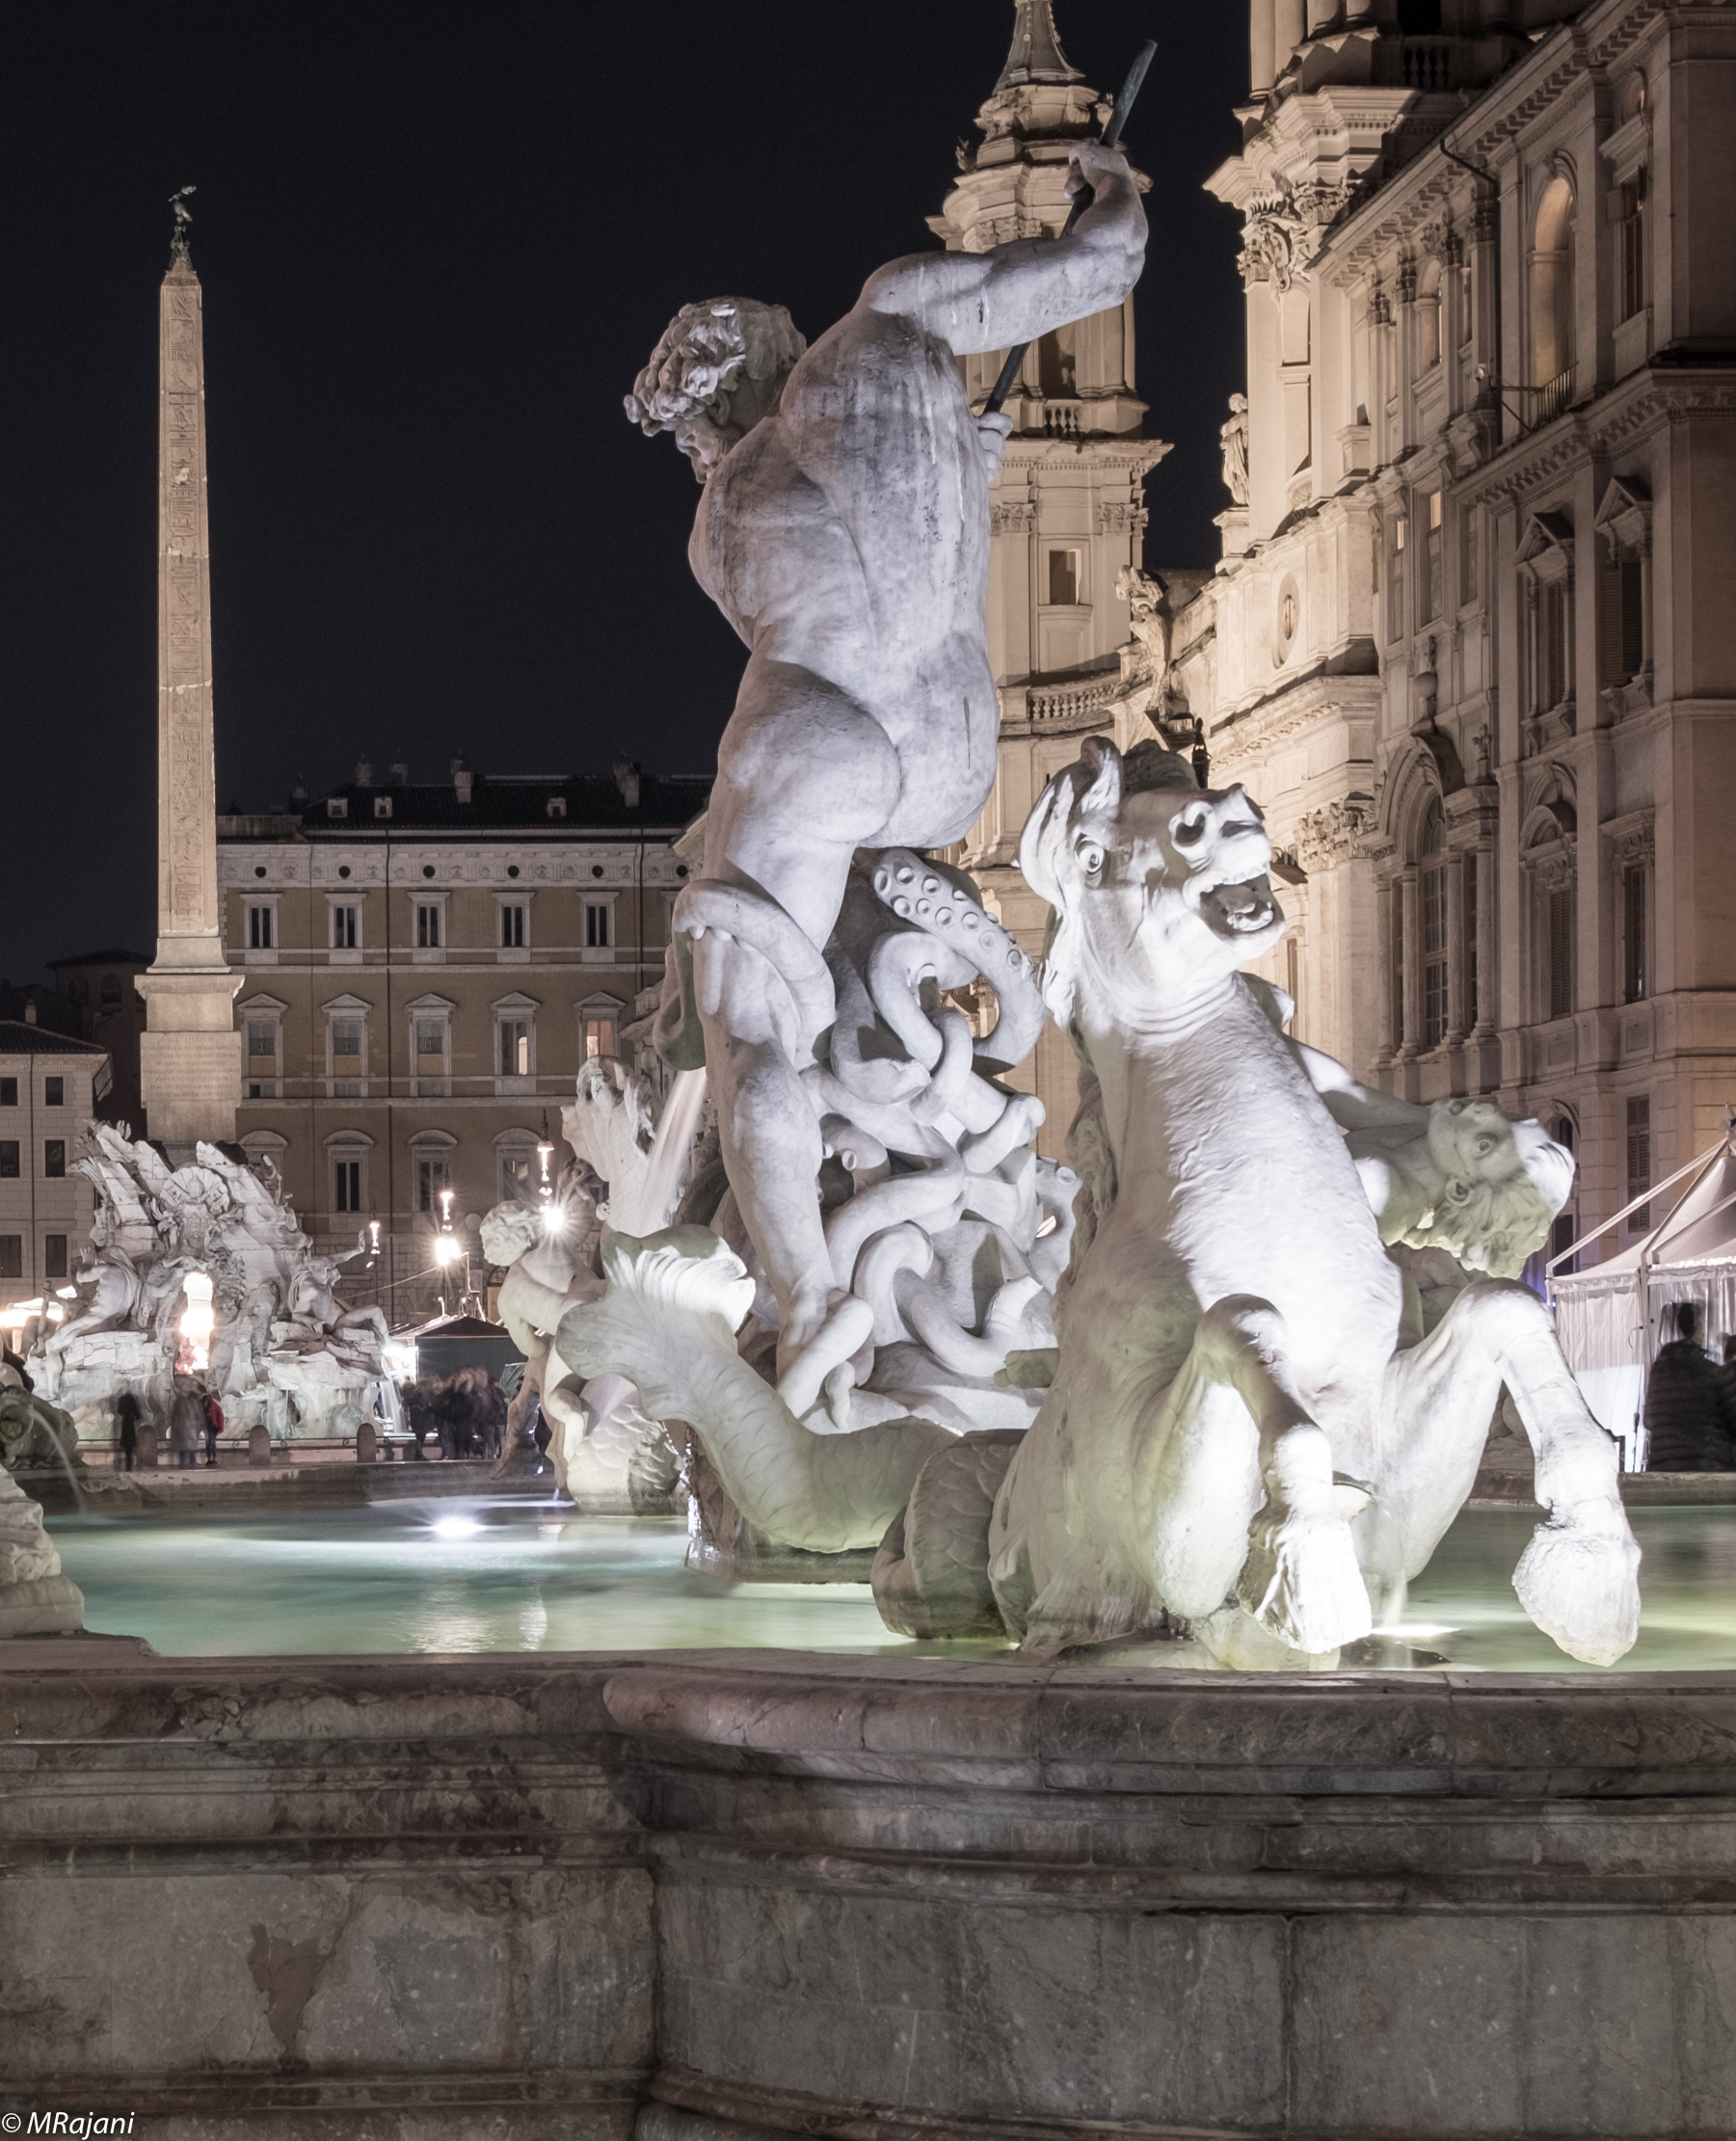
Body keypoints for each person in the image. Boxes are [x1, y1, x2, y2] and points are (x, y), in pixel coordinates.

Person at [626, 136, 1146, 1414]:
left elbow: (800, 591)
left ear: (716, 394)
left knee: (748, 1030)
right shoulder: (894, 332)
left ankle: (811, 1301)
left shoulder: (718, 512)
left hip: (815, 739)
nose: (696, 450)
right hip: (950, 748)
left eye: (692, 425)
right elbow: (1103, 264)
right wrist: (1118, 191)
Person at [1643, 1301, 1736, 1471]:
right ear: (1699, 1329)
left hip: (1663, 1468)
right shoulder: (1709, 1372)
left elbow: (1648, 1421)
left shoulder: (1659, 1371)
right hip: (1706, 1468)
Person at [169, 1381, 206, 1470]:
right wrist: (200, 1426)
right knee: (190, 1447)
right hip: (190, 1428)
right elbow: (199, 1416)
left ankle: (184, 1463)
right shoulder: (193, 1402)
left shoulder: (179, 1402)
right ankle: (190, 1463)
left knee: (183, 1447)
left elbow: (173, 1416)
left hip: (183, 1428)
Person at [114, 1387, 140, 1472]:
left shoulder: (122, 1399)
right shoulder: (132, 1399)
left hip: (125, 1422)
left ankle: (126, 1466)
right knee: (130, 1450)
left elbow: (119, 1411)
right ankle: (129, 1466)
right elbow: (137, 1414)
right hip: (131, 1423)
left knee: (126, 1445)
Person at [201, 1388, 224, 1467]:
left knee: (209, 1442)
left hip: (210, 1426)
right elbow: (220, 1418)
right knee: (211, 1442)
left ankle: (210, 1458)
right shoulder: (216, 1407)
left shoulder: (207, 1406)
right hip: (213, 1427)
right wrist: (220, 1427)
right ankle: (212, 1458)